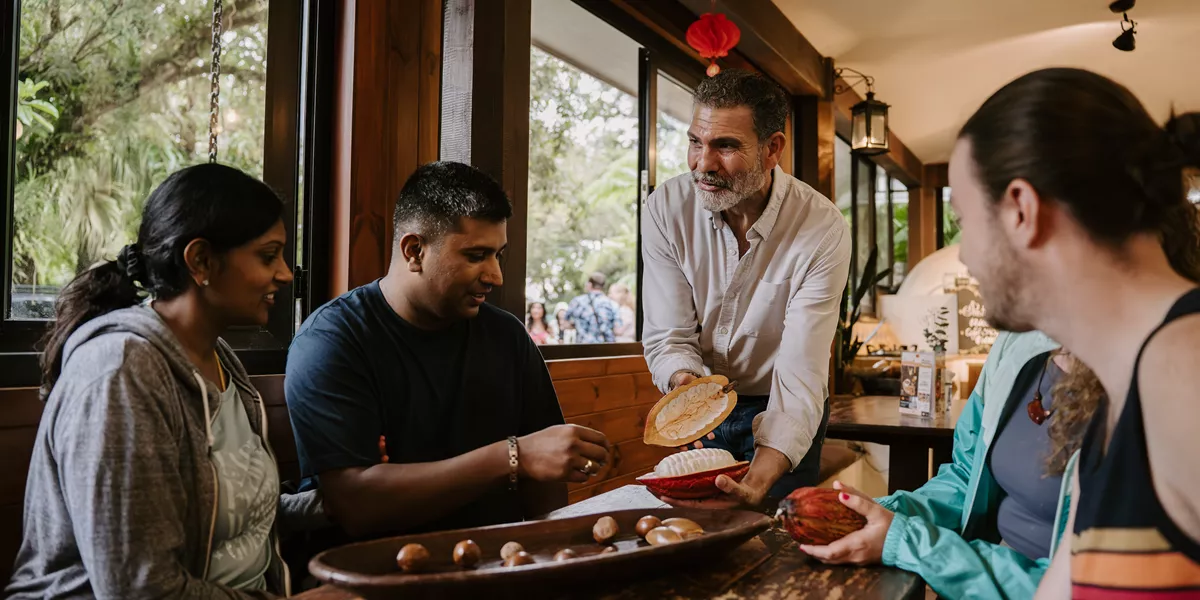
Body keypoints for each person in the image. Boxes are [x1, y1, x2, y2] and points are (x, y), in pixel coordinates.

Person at [6, 164, 325, 599]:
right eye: (268, 256)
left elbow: (223, 510)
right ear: (201, 261)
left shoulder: (219, 359)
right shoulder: (120, 373)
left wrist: (334, 504)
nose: (287, 274)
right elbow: (139, 590)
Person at [943, 68, 1200, 598]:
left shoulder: (1186, 374)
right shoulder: (1119, 389)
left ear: (1021, 210)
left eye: (964, 219)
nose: (964, 253)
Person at [284, 162, 611, 548]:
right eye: (476, 255)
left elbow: (545, 479)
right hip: (378, 574)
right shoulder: (332, 340)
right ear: (414, 250)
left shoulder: (506, 336)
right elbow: (355, 504)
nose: (495, 275)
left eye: (498, 255)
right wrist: (512, 456)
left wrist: (551, 557)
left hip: (497, 566)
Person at [642, 68, 851, 507]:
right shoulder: (665, 208)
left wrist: (759, 482)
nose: (703, 164)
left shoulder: (821, 228)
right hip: (696, 399)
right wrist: (690, 394)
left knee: (780, 541)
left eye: (726, 146)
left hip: (782, 400)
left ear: (772, 149)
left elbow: (799, 375)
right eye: (695, 142)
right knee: (702, 540)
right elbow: (670, 335)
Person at [800, 330, 1091, 598]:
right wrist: (878, 514)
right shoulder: (1016, 343)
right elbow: (967, 476)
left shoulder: (1127, 396)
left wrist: (908, 542)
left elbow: (1080, 588)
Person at [565, 272, 621, 343]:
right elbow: (618, 328)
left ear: (590, 285)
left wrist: (577, 324)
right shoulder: (613, 304)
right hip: (607, 348)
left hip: (583, 348)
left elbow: (565, 323)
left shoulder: (577, 302)